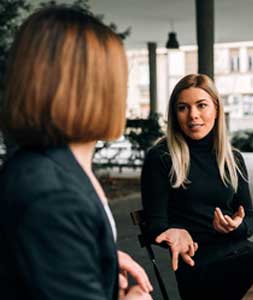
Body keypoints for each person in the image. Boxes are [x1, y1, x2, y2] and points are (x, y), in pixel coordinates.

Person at [0, 6, 152, 300]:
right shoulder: (52, 195)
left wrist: (98, 260)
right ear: (94, 87)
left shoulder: (50, 167)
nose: (125, 89)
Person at [141, 74, 253, 300]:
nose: (193, 115)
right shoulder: (162, 158)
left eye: (201, 105)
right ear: (175, 114)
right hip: (201, 269)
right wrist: (173, 232)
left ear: (216, 109)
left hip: (242, 256)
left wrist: (235, 226)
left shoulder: (232, 158)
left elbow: (250, 220)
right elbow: (155, 225)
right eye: (183, 108)